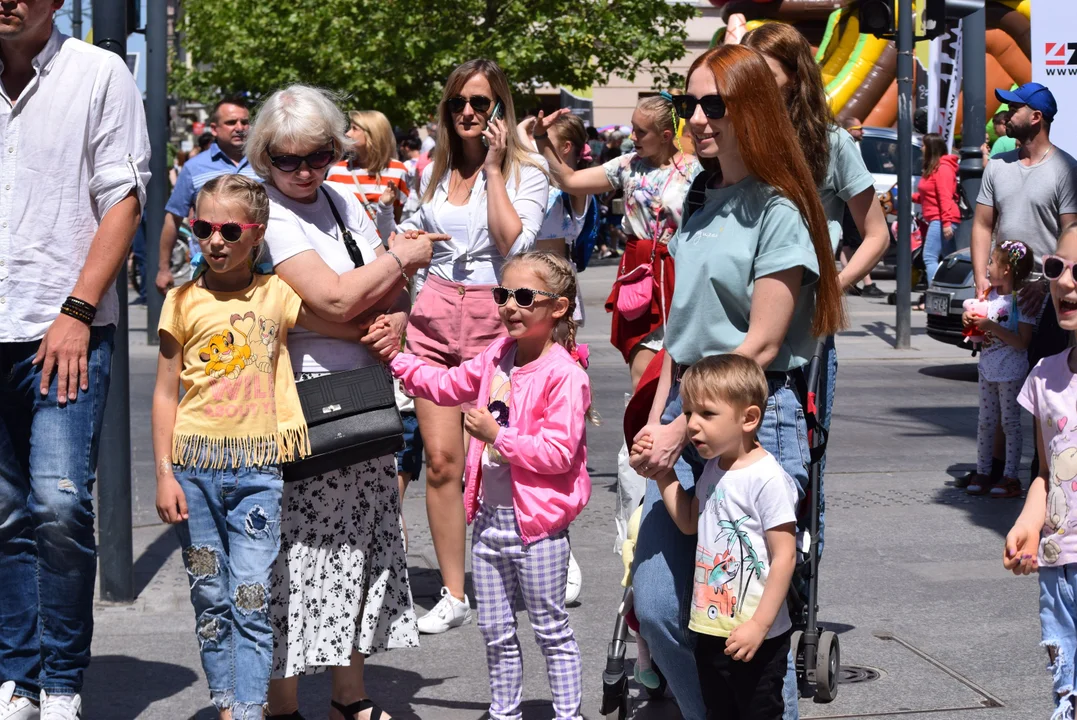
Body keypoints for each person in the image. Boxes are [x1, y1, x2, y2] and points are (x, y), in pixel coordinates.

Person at [628, 44, 846, 720]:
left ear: (750, 107)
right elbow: (677, 330)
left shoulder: (780, 209)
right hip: (686, 408)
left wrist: (680, 419)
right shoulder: (698, 195)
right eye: (688, 103)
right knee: (659, 605)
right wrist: (659, 414)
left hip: (752, 415)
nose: (696, 118)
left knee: (751, 617)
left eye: (712, 104)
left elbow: (764, 340)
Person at [244, 84, 443, 720]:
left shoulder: (343, 198)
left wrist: (400, 318)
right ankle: (281, 703)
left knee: (355, 548)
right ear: (263, 155)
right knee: (294, 556)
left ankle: (348, 694)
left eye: (318, 155)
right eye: (287, 158)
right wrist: (398, 257)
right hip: (297, 404)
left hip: (362, 396)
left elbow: (380, 293)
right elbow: (328, 299)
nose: (304, 171)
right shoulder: (264, 212)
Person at [151, 176, 368, 720]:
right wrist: (163, 474)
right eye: (204, 229)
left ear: (258, 235)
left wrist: (395, 321)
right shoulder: (181, 302)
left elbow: (341, 321)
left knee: (250, 597)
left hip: (257, 471)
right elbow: (163, 393)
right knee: (209, 596)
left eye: (230, 229)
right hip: (193, 470)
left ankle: (249, 709)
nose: (216, 241)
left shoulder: (277, 295)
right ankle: (226, 704)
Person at [0, 6, 150, 719]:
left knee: (58, 504)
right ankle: (16, 677)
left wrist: (78, 311)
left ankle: (60, 680)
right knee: (2, 514)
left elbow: (123, 198)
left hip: (64, 331)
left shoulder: (98, 73)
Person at [373, 251, 593, 720]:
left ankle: (568, 714)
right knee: (495, 629)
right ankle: (504, 710)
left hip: (538, 529)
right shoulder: (498, 357)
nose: (509, 306)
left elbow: (558, 455)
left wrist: (498, 436)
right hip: (491, 522)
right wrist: (397, 359)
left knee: (551, 628)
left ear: (557, 307)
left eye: (523, 297)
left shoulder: (565, 375)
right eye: (502, 295)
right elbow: (450, 383)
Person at [373, 58, 550, 636]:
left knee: (502, 456)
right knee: (443, 462)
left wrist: (496, 167)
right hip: (433, 312)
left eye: (480, 103)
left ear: (501, 108)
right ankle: (454, 591)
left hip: (496, 315)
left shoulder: (529, 173)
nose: (468, 113)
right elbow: (414, 241)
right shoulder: (432, 170)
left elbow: (511, 241)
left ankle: (545, 557)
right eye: (458, 104)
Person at [638, 355, 797, 719]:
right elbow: (690, 522)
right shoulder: (714, 468)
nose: (692, 425)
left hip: (757, 637)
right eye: (689, 412)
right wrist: (661, 474)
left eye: (706, 415)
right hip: (710, 629)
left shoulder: (766, 478)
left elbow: (784, 557)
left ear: (749, 418)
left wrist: (759, 625)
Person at [972, 82, 1077, 483]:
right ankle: (996, 470)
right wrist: (983, 280)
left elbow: (1071, 233)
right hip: (1002, 297)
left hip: (1047, 297)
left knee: (1045, 386)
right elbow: (983, 225)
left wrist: (1047, 281)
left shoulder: (1065, 169)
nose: (1005, 115)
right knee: (999, 385)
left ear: (1036, 117)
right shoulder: (998, 167)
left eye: (1013, 108)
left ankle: (1041, 474)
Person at [1004, 222, 1077, 720]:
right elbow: (1045, 472)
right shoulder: (1044, 377)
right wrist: (1028, 525)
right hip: (1057, 566)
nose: (1066, 283)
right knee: (1066, 690)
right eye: (1056, 269)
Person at [156, 97, 260, 294]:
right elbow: (173, 218)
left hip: (260, 271)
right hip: (208, 274)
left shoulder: (263, 164)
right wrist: (163, 269)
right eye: (231, 122)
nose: (240, 128)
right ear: (214, 129)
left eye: (244, 122)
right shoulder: (194, 168)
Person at [962, 241, 1034, 498]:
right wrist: (969, 320)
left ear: (1007, 269)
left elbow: (1022, 342)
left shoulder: (1021, 301)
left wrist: (991, 326)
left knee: (1010, 423)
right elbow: (976, 322)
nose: (987, 266)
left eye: (992, 262)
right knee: (986, 422)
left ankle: (1010, 477)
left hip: (1012, 370)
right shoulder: (987, 295)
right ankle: (983, 471)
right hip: (987, 368)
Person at [327, 110, 410, 227]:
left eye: (355, 128)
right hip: (349, 244)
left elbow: (399, 219)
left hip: (385, 243)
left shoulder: (398, 170)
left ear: (373, 134)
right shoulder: (336, 172)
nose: (348, 133)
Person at [912, 133, 962, 284]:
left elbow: (945, 197)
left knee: (929, 256)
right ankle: (948, 289)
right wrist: (911, 197)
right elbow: (930, 196)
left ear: (931, 148)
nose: (921, 148)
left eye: (924, 145)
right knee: (949, 258)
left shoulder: (942, 169)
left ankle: (933, 294)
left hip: (941, 218)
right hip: (940, 218)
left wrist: (946, 223)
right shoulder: (935, 168)